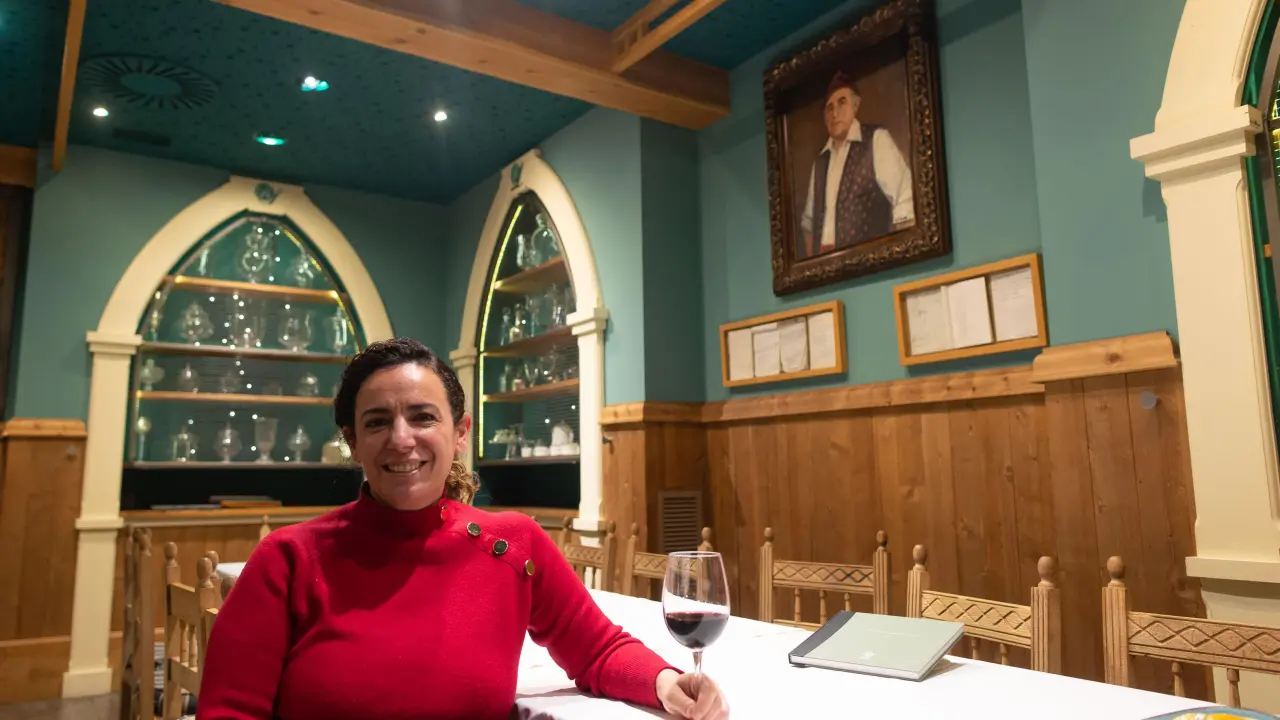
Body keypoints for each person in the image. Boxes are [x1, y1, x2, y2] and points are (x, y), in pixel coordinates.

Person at [197, 338, 729, 720]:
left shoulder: (513, 545)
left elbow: (597, 649)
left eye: (423, 417)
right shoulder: (286, 560)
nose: (401, 439)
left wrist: (666, 683)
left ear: (460, 433)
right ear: (353, 442)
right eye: (377, 422)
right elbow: (229, 712)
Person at [799, 71, 915, 258]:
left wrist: (900, 250)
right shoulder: (820, 163)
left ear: (856, 105)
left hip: (870, 260)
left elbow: (905, 196)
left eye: (842, 102)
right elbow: (808, 223)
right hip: (825, 265)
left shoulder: (876, 140)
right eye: (829, 107)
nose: (835, 113)